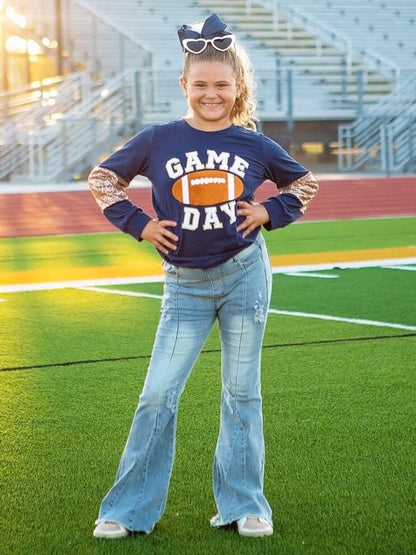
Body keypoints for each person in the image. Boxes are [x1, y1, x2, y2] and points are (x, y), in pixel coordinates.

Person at [88, 13, 318, 540]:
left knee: (242, 391)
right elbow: (103, 179)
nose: (210, 94)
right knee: (157, 394)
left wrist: (270, 212)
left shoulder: (254, 145)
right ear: (184, 86)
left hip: (244, 276)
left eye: (221, 85)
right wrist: (140, 224)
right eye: (200, 85)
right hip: (184, 285)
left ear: (237, 88)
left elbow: (304, 184)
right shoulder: (158, 138)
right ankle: (126, 510)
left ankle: (244, 505)